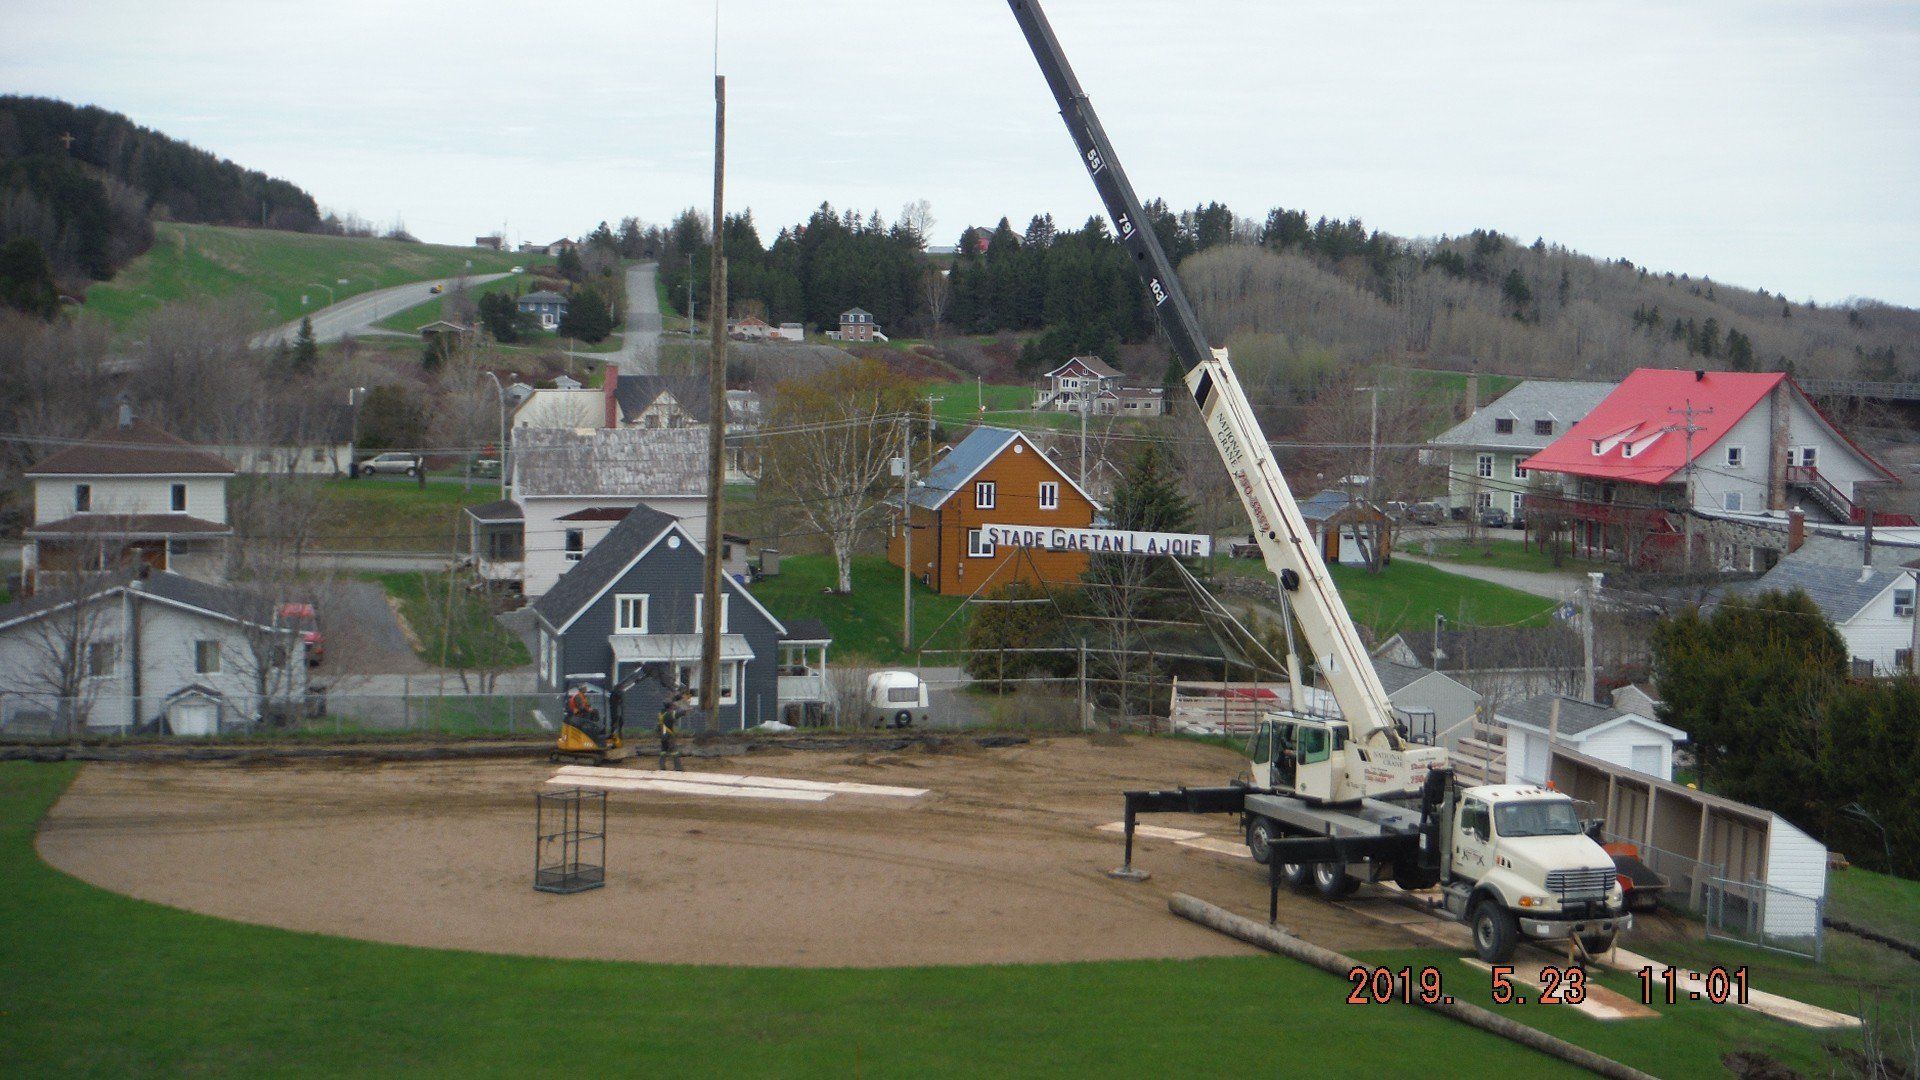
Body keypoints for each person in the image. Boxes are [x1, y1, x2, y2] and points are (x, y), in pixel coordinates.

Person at [657, 690, 689, 772]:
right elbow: (680, 712)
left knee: (663, 751)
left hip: (663, 734)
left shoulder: (661, 713)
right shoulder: (670, 714)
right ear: (670, 706)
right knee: (674, 751)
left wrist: (674, 701)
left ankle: (662, 767)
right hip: (669, 735)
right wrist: (686, 708)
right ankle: (678, 767)